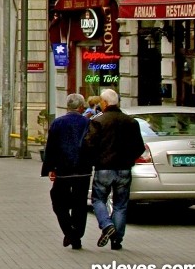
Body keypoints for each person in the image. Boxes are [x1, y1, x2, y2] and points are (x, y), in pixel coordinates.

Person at [82, 89, 145, 251]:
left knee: (98, 199)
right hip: (124, 168)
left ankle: (107, 224)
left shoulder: (98, 121)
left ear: (104, 103)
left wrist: (95, 160)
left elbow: (89, 144)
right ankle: (116, 240)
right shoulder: (131, 122)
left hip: (104, 168)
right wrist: (129, 159)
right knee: (120, 205)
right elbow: (139, 146)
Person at [41, 93, 92, 250]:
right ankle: (76, 233)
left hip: (63, 170)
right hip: (83, 170)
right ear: (81, 106)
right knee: (80, 203)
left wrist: (50, 168)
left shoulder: (58, 123)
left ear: (67, 106)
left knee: (58, 202)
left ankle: (70, 232)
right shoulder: (88, 123)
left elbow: (51, 147)